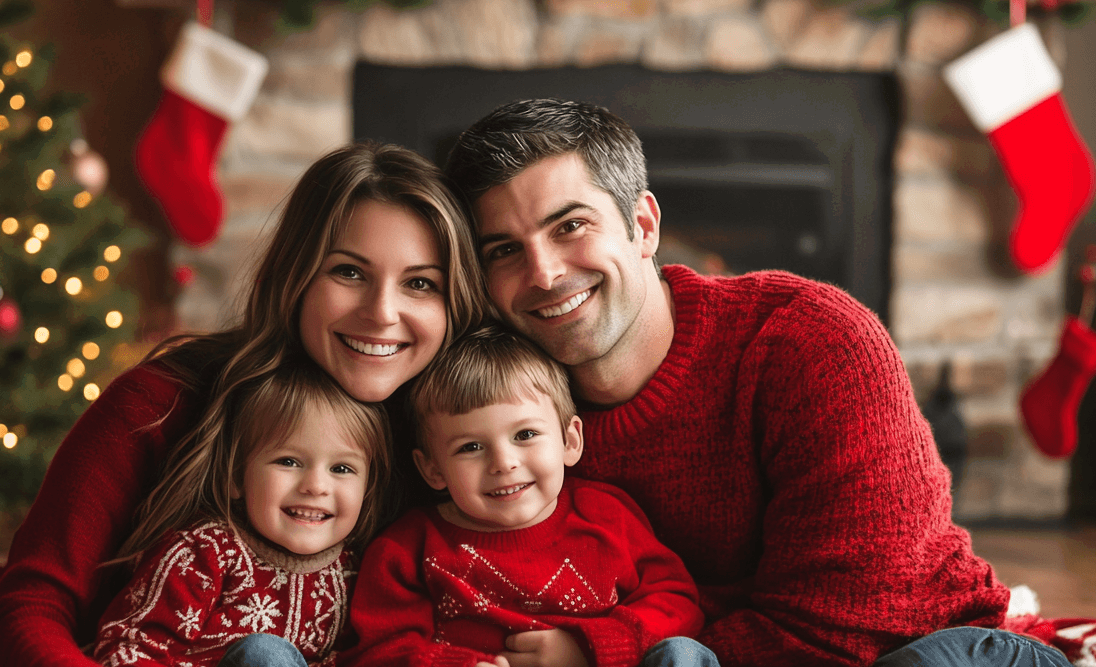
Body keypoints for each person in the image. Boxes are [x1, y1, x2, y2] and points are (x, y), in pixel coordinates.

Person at [443, 99, 1070, 667]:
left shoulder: (812, 342)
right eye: (503, 251)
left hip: (927, 642)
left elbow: (851, 632)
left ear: (644, 226)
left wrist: (607, 651)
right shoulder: (496, 408)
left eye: (571, 226)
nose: (545, 273)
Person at [0, 141, 487, 666]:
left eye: (421, 283)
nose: (383, 313)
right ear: (297, 274)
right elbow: (32, 605)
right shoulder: (161, 400)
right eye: (350, 272)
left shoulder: (466, 434)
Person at [345, 325, 712, 667]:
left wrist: (585, 647)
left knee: (683, 654)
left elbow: (677, 603)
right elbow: (382, 647)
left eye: (525, 435)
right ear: (433, 470)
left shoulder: (605, 515)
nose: (503, 463)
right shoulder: (409, 548)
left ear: (570, 441)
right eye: (470, 447)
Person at [94, 366, 389, 666]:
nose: (315, 486)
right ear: (235, 478)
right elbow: (130, 647)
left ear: (367, 488)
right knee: (265, 655)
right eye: (288, 461)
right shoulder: (203, 553)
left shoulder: (357, 570)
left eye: (341, 469)